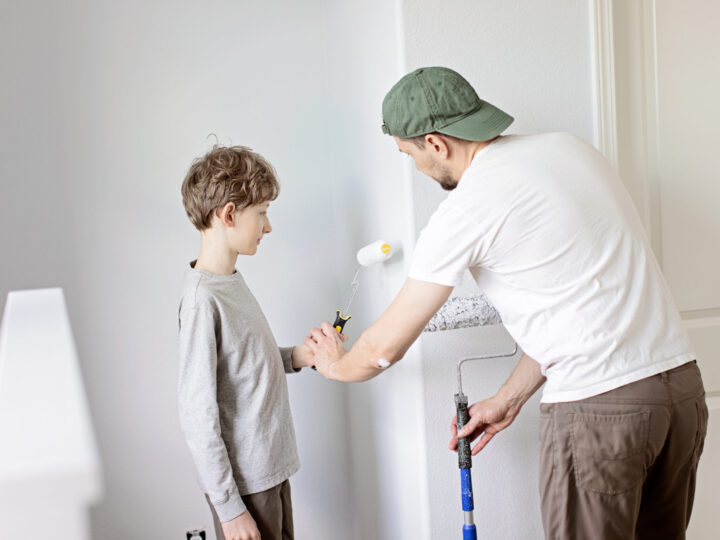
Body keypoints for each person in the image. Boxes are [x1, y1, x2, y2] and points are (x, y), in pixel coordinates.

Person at [306, 67, 708, 540]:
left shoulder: (468, 209)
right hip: (680, 393)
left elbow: (382, 347)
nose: (415, 167)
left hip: (601, 415)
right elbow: (581, 310)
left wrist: (333, 365)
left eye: (408, 154)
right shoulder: (570, 149)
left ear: (434, 143)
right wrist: (508, 398)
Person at [178, 145, 313, 540]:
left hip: (270, 472)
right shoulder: (203, 299)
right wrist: (230, 509)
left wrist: (299, 356)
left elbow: (247, 362)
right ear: (230, 214)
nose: (268, 226)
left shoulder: (230, 283)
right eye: (263, 213)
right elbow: (197, 415)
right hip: (247, 488)